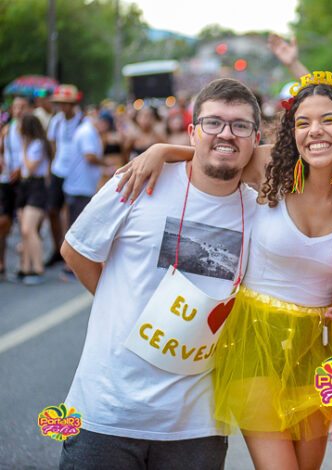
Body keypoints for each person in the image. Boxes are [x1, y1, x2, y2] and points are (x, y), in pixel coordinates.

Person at [115, 71, 332, 469]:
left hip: (319, 343)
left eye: (329, 120)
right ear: (291, 131)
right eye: (303, 122)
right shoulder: (272, 165)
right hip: (254, 340)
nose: (315, 131)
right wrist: (160, 150)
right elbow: (216, 155)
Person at [59, 78, 262, 469]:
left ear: (256, 138)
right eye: (213, 123)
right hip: (108, 409)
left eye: (240, 126)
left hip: (197, 423)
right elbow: (76, 250)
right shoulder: (140, 179)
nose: (226, 133)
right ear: (192, 131)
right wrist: (120, 306)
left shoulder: (260, 210)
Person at [46, 84, 84, 267]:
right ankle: (57, 247)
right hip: (59, 170)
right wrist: (52, 166)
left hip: (76, 173)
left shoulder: (82, 121)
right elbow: (53, 145)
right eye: (60, 103)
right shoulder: (56, 121)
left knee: (72, 212)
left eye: (66, 103)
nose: (63, 107)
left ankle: (71, 252)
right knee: (52, 210)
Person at [17, 114, 51, 285]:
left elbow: (30, 167)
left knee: (28, 229)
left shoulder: (37, 144)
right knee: (25, 230)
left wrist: (24, 150)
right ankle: (26, 266)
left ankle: (38, 267)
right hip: (24, 185)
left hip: (36, 186)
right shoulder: (30, 143)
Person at [0, 96, 31, 279]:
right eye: (16, 107)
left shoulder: (29, 130)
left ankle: (24, 264)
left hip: (24, 181)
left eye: (22, 107)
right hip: (7, 180)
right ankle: (2, 262)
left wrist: (20, 170)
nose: (18, 110)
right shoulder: (7, 129)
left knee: (24, 223)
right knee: (4, 221)